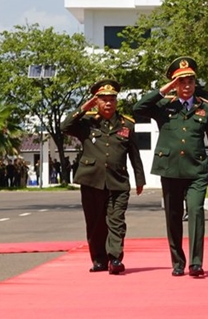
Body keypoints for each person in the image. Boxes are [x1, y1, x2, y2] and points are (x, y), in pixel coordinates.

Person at [133, 57, 208, 278]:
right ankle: (178, 262)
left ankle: (196, 263)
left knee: (195, 211)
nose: (186, 86)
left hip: (196, 170)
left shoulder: (204, 108)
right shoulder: (164, 106)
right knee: (173, 216)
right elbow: (138, 108)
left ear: (195, 83)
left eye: (190, 82)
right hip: (170, 170)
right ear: (175, 84)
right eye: (181, 82)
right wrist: (164, 89)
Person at [61, 79, 146, 274]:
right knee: (95, 222)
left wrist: (139, 179)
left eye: (112, 99)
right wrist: (83, 108)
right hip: (92, 180)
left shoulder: (127, 125)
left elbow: (134, 154)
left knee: (116, 221)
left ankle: (115, 259)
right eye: (103, 100)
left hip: (118, 181)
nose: (108, 103)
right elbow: (64, 126)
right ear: (96, 102)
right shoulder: (86, 122)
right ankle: (99, 259)